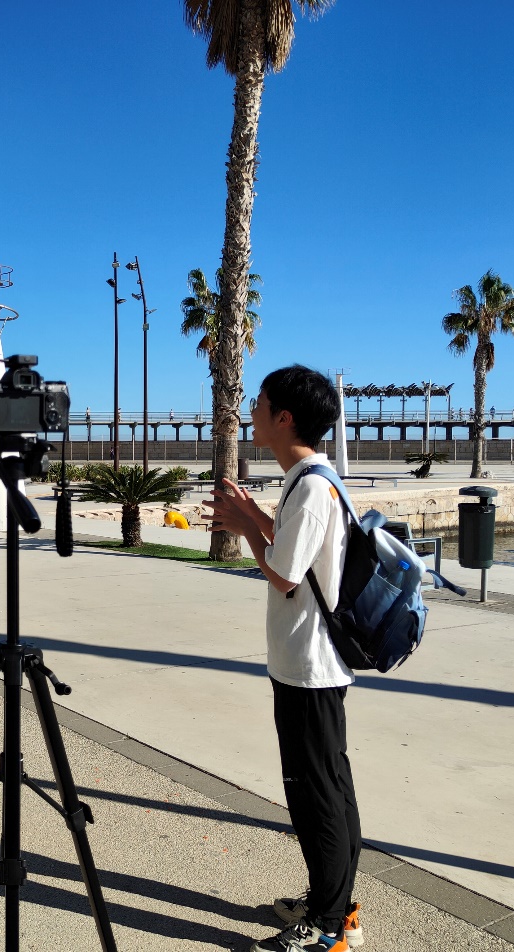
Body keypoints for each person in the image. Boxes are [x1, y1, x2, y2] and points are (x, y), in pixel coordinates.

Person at [203, 365, 362, 952]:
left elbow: (285, 574)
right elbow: (299, 547)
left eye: (260, 402)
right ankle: (334, 905)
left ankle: (328, 926)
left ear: (284, 418)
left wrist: (244, 526)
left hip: (309, 666)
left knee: (316, 796)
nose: (252, 409)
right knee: (329, 787)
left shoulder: (313, 485)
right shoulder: (311, 479)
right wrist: (255, 515)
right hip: (308, 662)